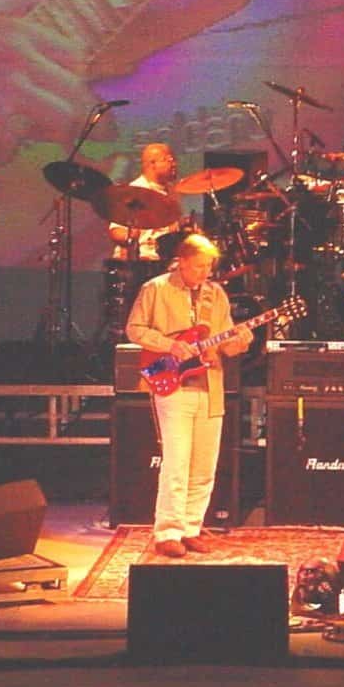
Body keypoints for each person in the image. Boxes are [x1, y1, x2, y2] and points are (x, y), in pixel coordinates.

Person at [125, 234, 253, 558]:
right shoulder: (155, 289)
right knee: (177, 462)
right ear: (181, 262)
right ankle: (168, 532)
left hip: (210, 386)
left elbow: (225, 345)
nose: (205, 272)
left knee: (204, 465)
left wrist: (241, 340)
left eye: (209, 266)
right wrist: (171, 345)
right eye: (198, 266)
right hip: (173, 385)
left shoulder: (216, 294)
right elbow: (134, 329)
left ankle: (191, 528)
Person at [109, 142, 182, 264]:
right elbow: (116, 231)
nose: (174, 164)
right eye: (168, 160)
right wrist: (130, 237)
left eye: (173, 160)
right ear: (153, 164)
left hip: (164, 259)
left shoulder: (171, 192)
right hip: (142, 260)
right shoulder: (134, 191)